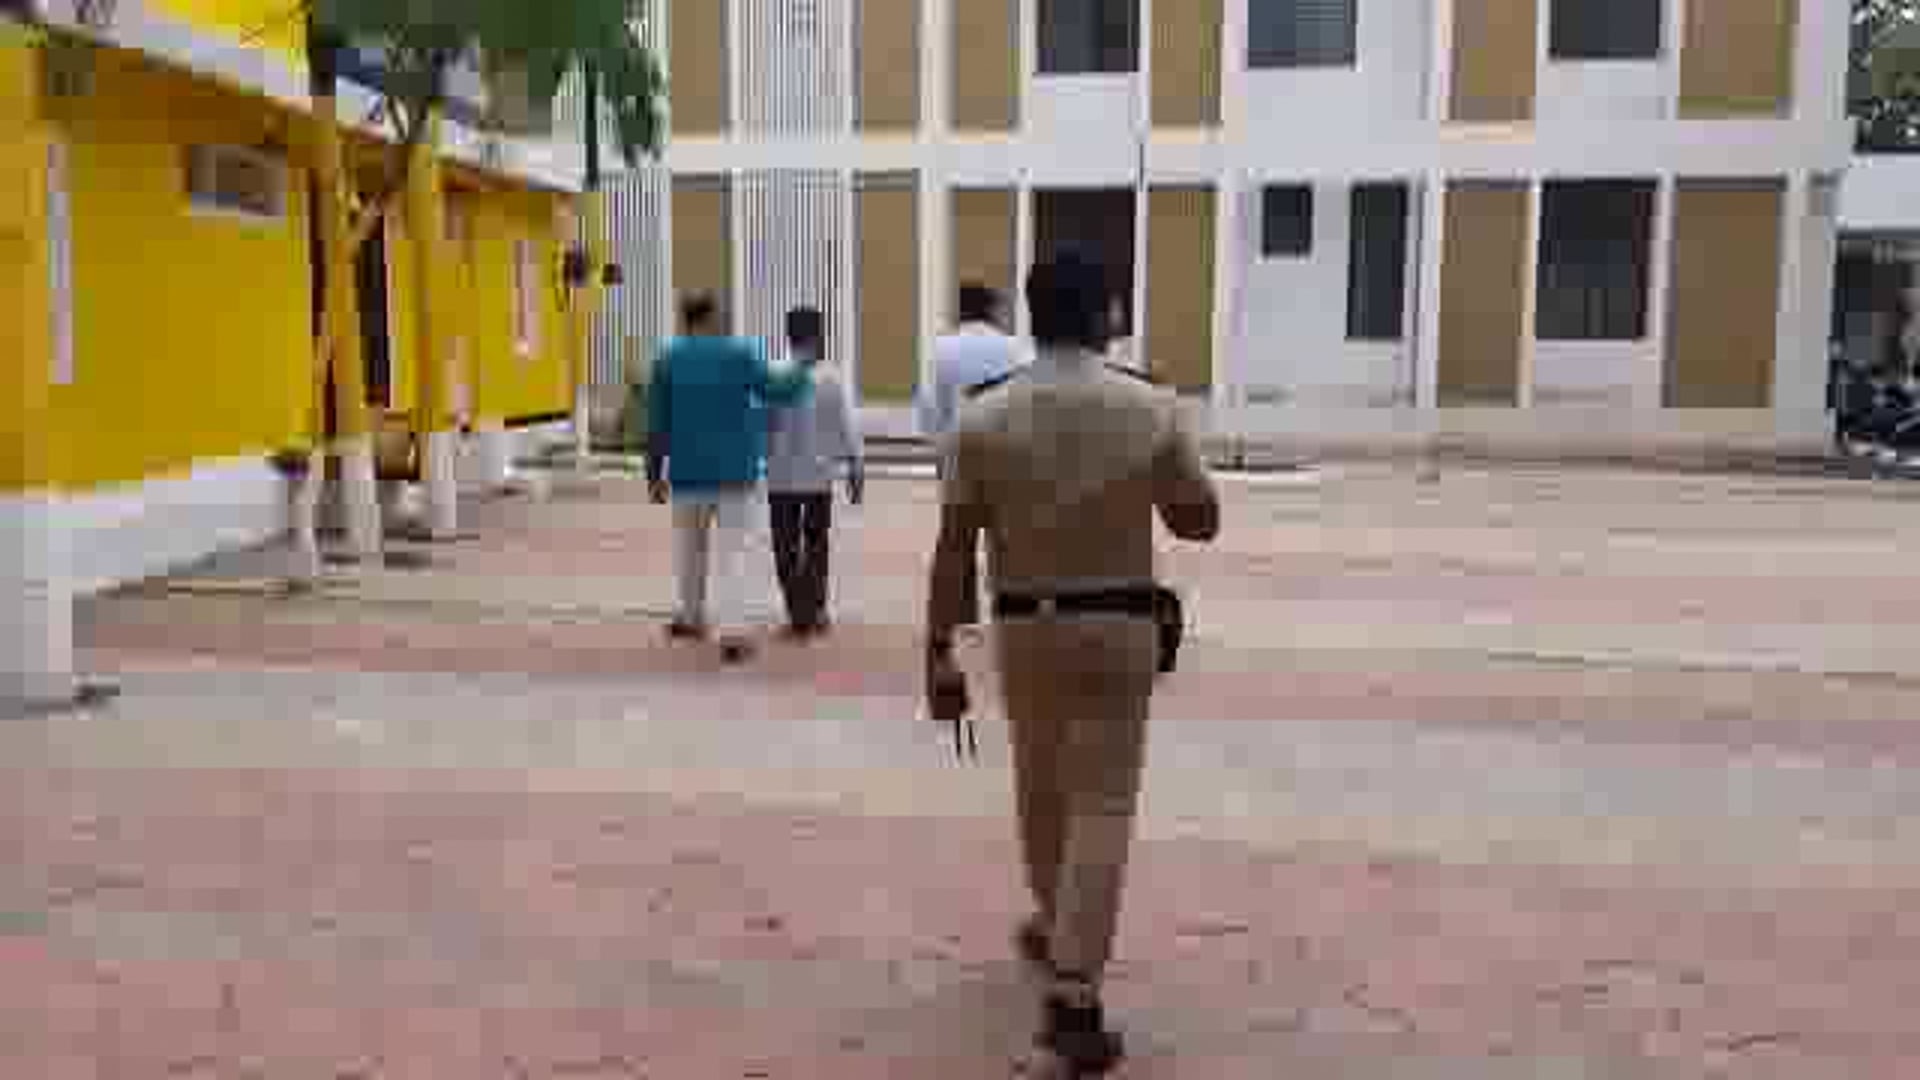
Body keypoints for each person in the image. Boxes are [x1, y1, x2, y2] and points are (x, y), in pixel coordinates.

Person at [922, 253, 1222, 1075]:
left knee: (1041, 787)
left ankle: (1059, 926)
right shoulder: (1148, 404)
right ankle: (1073, 995)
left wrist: (938, 654)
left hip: (1024, 626)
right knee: (1104, 803)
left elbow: (953, 551)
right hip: (1119, 624)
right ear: (1101, 317)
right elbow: (1199, 520)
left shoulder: (984, 416)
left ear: (1035, 313)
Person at [647, 293, 814, 664]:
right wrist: (802, 366)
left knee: (689, 550)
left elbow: (656, 424)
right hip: (735, 473)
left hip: (687, 473)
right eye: (721, 314)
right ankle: (734, 634)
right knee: (734, 552)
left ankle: (691, 617)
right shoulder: (740, 354)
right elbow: (778, 390)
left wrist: (653, 475)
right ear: (709, 317)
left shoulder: (666, 360)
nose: (725, 319)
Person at [765, 305, 865, 637]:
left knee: (785, 547)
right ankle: (814, 609)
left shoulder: (773, 373)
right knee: (816, 545)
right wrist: (856, 466)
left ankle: (799, 610)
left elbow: (763, 423)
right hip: (819, 478)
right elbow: (847, 425)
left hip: (780, 478)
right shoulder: (832, 377)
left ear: (789, 335)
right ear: (817, 336)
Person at [916, 282, 1021, 445]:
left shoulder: (940, 347)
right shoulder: (1013, 348)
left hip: (955, 444)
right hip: (1002, 444)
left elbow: (930, 406)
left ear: (959, 311)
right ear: (992, 311)